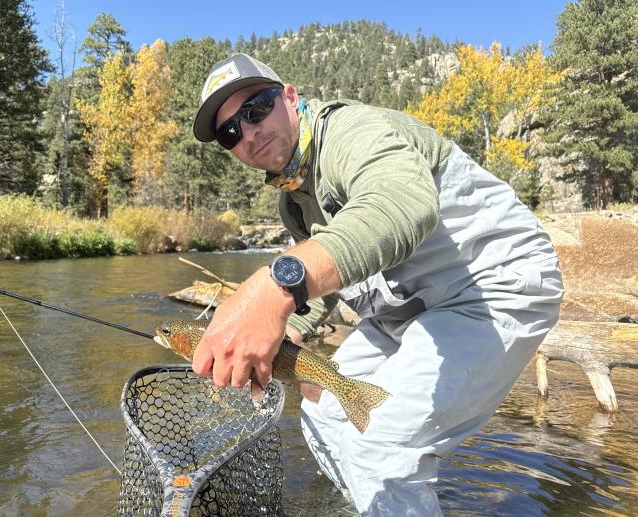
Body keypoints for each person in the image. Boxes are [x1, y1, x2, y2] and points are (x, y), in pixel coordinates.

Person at [190, 53, 564, 516]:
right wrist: (288, 333)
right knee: (325, 414)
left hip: (492, 285)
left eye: (256, 109)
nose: (247, 132)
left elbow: (403, 205)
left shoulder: (349, 131)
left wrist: (274, 286)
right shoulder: (293, 203)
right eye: (230, 132)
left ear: (289, 96)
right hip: (411, 311)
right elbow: (325, 284)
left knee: (380, 444)